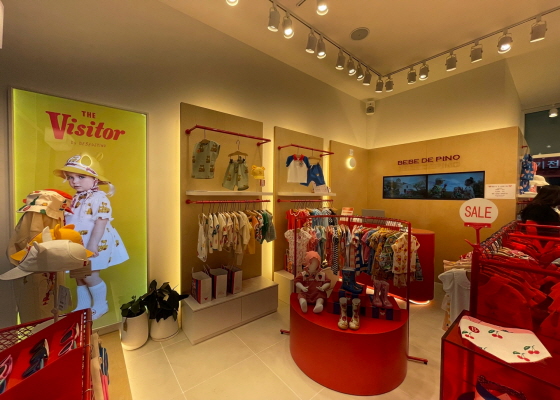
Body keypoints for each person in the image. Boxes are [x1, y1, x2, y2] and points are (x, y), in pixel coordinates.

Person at [54, 154, 129, 320]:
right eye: (71, 177)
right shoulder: (76, 198)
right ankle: (83, 305)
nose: (75, 181)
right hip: (78, 242)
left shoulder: (99, 198)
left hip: (93, 241)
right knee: (78, 274)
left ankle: (101, 305)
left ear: (95, 179)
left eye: (81, 177)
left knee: (90, 275)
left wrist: (93, 244)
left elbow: (101, 222)